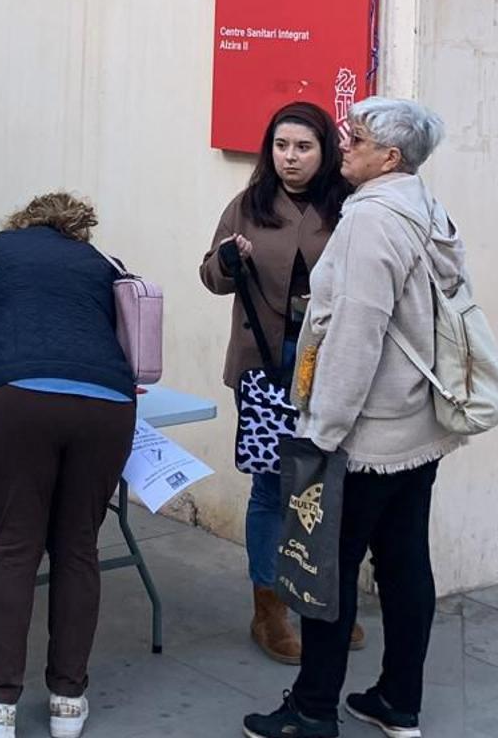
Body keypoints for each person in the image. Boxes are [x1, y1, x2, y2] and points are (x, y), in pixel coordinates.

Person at [244, 98, 465, 738]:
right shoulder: (426, 207)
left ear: (390, 156)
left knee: (325, 571)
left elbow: (356, 332)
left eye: (358, 137)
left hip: (365, 435)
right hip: (418, 427)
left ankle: (312, 709)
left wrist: (324, 430)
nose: (345, 144)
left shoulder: (369, 220)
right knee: (403, 563)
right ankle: (398, 702)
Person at [0, 192, 136, 738]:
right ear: (77, 230)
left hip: (17, 400)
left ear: (22, 221)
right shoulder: (100, 264)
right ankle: (68, 703)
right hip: (108, 406)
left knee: (13, 548)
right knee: (78, 549)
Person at [198, 101, 360, 665]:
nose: (290, 158)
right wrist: (226, 258)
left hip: (328, 361)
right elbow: (212, 277)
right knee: (271, 486)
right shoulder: (249, 205)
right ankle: (269, 607)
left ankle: (320, 598)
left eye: (303, 147)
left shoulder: (347, 205)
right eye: (282, 146)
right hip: (265, 363)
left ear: (325, 151)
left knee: (326, 481)